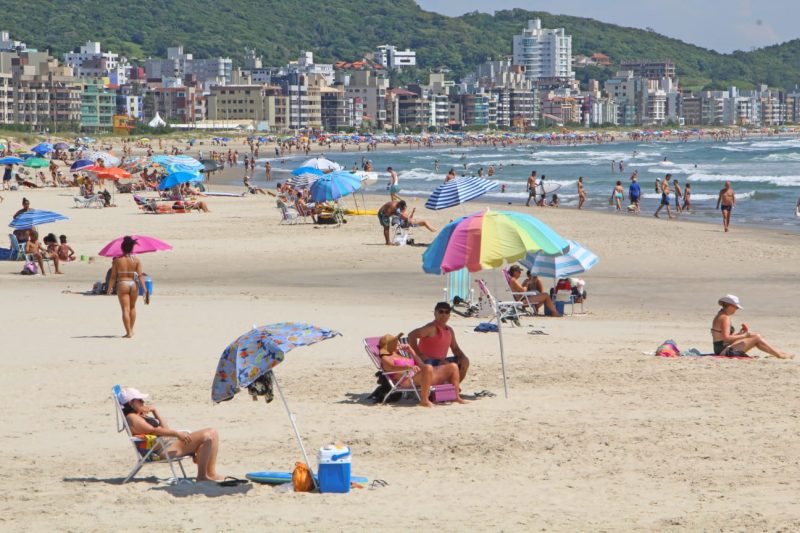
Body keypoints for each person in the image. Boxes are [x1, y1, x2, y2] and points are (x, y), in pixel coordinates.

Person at [119, 387, 224, 481]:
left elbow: (165, 429)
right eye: (140, 400)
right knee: (209, 435)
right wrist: (176, 433)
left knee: (213, 434)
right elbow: (153, 431)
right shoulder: (132, 418)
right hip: (161, 450)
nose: (143, 402)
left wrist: (155, 412)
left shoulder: (140, 415)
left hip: (168, 443)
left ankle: (211, 473)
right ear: (131, 403)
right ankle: (202, 476)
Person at [710, 295, 792, 358]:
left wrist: (740, 334)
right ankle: (779, 354)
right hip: (724, 351)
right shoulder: (725, 318)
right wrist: (744, 335)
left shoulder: (721, 315)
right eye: (736, 307)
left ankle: (779, 353)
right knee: (756, 337)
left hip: (720, 349)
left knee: (755, 336)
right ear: (730, 305)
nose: (736, 310)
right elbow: (726, 338)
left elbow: (722, 338)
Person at [408, 302, 470, 385]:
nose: (443, 315)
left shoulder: (449, 330)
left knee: (465, 361)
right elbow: (411, 335)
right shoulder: (431, 328)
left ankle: (453, 388)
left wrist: (463, 358)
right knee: (446, 364)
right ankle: (449, 389)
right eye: (441, 312)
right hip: (428, 362)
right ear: (435, 313)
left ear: (449, 315)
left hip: (441, 361)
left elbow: (455, 349)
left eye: (446, 312)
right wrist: (418, 354)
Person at [378, 333, 437, 407]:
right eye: (395, 342)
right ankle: (424, 400)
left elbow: (422, 365)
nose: (398, 343)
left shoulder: (400, 354)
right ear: (388, 346)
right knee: (428, 368)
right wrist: (408, 367)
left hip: (415, 375)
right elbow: (392, 368)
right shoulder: (386, 358)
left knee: (450, 367)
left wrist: (411, 351)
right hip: (405, 379)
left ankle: (451, 397)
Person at [106, 236, 149, 338]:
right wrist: (145, 289)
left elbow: (112, 277)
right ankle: (131, 330)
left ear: (122, 248)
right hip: (133, 284)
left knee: (125, 309)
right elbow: (140, 276)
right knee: (132, 307)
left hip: (122, 283)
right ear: (132, 248)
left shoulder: (117, 260)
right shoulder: (137, 260)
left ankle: (128, 332)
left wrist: (109, 288)